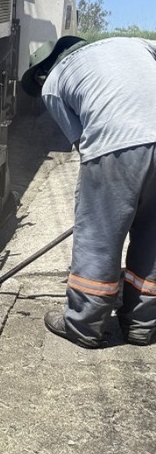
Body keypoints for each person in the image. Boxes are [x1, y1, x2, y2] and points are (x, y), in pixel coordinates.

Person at [20, 35, 156, 348]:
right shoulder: (135, 43)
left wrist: (102, 203)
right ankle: (142, 324)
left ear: (42, 72)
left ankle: (84, 324)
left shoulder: (53, 82)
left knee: (98, 239)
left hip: (116, 145)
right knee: (152, 235)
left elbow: (82, 143)